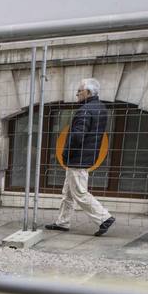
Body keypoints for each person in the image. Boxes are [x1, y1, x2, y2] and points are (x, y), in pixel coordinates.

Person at [46, 78, 116, 237]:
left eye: (79, 91)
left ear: (88, 92)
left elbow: (77, 136)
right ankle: (62, 222)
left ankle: (104, 217)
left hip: (78, 158)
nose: (77, 93)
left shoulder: (84, 110)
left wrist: (66, 154)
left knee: (79, 192)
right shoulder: (100, 108)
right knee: (68, 192)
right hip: (87, 156)